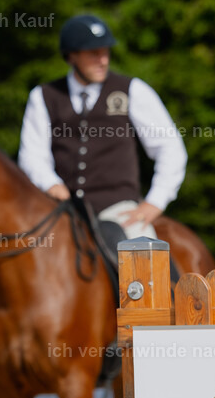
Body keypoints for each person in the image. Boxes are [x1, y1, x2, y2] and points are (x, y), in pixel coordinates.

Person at [18, 14, 187, 240]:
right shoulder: (43, 96)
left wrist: (155, 202)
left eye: (105, 52)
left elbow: (170, 147)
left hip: (118, 210)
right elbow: (32, 154)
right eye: (93, 54)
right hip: (60, 208)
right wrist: (51, 184)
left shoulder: (133, 90)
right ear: (72, 56)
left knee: (141, 248)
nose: (104, 60)